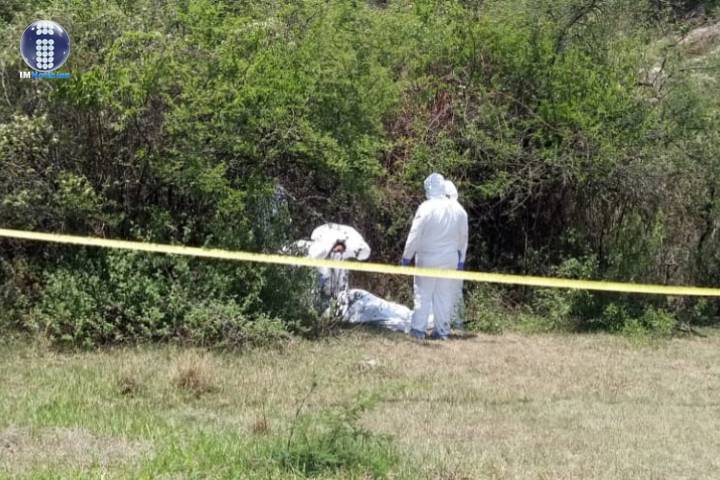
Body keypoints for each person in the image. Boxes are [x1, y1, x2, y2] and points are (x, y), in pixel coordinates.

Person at [401, 173, 468, 340]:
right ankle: (442, 332)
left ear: (429, 188)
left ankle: (418, 330)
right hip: (450, 260)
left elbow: (415, 234)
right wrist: (461, 261)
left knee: (423, 294)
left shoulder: (426, 207)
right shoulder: (458, 210)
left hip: (427, 258)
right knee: (444, 295)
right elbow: (463, 238)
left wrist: (406, 257)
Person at [444, 179, 467, 332]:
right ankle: (457, 323)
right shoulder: (461, 211)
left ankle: (441, 323)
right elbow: (464, 238)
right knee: (456, 291)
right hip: (455, 257)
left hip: (440, 256)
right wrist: (461, 261)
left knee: (437, 291)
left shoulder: (437, 209)